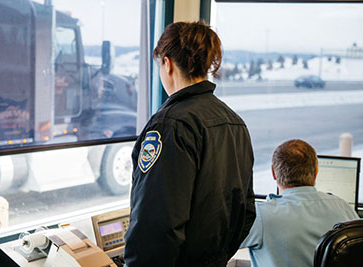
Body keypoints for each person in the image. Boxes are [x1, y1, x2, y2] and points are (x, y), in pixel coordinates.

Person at [124, 21, 255, 267]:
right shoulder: (235, 123)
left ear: (167, 64)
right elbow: (246, 211)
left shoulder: (169, 126)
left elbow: (156, 226)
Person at [241, 139, 359, 267]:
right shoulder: (344, 207)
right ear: (316, 172)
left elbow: (219, 242)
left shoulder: (261, 217)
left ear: (273, 173)